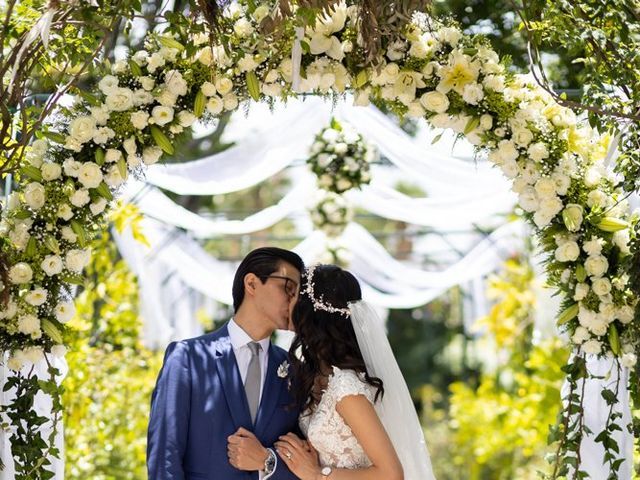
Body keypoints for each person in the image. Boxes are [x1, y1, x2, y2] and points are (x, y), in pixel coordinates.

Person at [147, 247, 305, 479]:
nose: (294, 301)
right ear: (251, 283)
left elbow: (305, 461)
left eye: (298, 294)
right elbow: (164, 457)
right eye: (288, 287)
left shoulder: (294, 369)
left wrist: (267, 461)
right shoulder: (188, 358)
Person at [274, 264, 435, 480]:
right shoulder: (318, 376)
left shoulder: (346, 388)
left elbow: (391, 473)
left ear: (310, 309)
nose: (286, 301)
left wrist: (317, 474)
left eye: (292, 295)